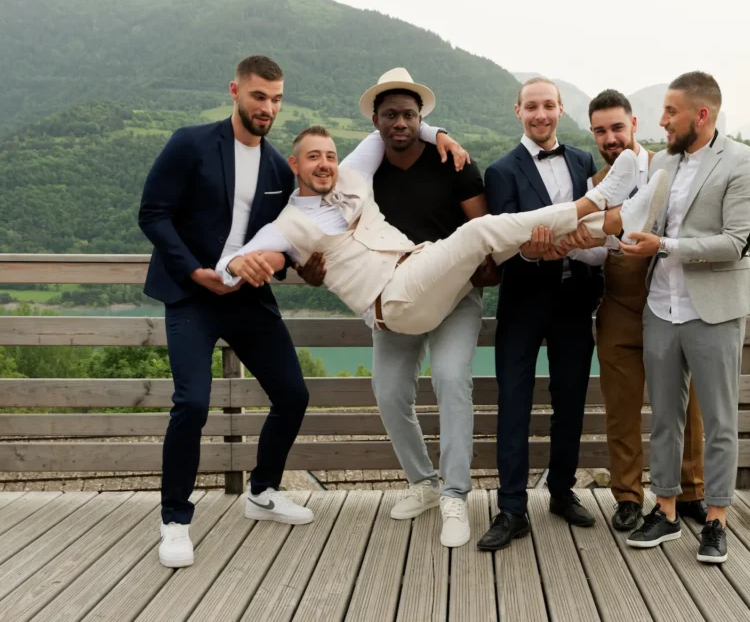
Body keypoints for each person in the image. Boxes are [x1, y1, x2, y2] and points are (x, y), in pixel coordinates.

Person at [215, 121, 661, 342]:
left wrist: (439, 133)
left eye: (329, 155)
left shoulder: (351, 173)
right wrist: (237, 263)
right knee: (481, 230)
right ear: (295, 165)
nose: (325, 164)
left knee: (508, 243)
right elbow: (230, 264)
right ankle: (597, 207)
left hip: (422, 269)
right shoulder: (286, 226)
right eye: (313, 157)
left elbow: (389, 124)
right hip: (395, 302)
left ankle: (606, 226)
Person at [294, 68, 498, 548]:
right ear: (376, 120)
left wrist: (488, 271)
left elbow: (483, 227)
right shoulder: (362, 173)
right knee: (387, 390)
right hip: (394, 298)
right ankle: (423, 483)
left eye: (409, 114)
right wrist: (310, 268)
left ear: (420, 117)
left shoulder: (454, 162)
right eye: (391, 115)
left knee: (450, 379)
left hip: (454, 294)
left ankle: (454, 494)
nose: (400, 122)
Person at [138, 55, 313, 570]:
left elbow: (288, 242)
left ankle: (261, 493)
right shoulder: (190, 143)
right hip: (192, 293)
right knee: (192, 403)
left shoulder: (281, 168)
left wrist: (278, 261)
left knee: (293, 395)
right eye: (260, 96)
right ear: (236, 90)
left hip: (248, 299)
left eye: (277, 99)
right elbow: (153, 213)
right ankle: (174, 520)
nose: (269, 108)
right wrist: (195, 272)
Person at [620, 72, 750, 565]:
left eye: (670, 112)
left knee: (721, 421)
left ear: (701, 115)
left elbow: (734, 243)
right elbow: (647, 221)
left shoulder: (744, 161)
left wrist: (664, 245)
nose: (661, 122)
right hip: (660, 305)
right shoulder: (662, 160)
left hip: (714, 309)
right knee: (664, 416)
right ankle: (664, 510)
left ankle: (717, 521)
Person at [563, 89, 707, 531]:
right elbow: (599, 253)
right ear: (593, 134)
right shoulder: (594, 186)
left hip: (671, 301)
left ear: (634, 126)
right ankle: (628, 497)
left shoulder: (672, 167)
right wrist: (572, 246)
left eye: (617, 128)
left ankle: (691, 493)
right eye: (601, 131)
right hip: (620, 305)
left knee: (687, 405)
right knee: (621, 407)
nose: (610, 137)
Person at [477, 77, 607, 551]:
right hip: (524, 299)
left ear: (560, 108)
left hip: (577, 298)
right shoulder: (500, 171)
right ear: (518, 112)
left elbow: (594, 225)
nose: (540, 114)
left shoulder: (581, 160)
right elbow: (505, 245)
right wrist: (533, 253)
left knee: (570, 398)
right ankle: (511, 508)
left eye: (548, 106)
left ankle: (561, 491)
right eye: (531, 107)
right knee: (513, 402)